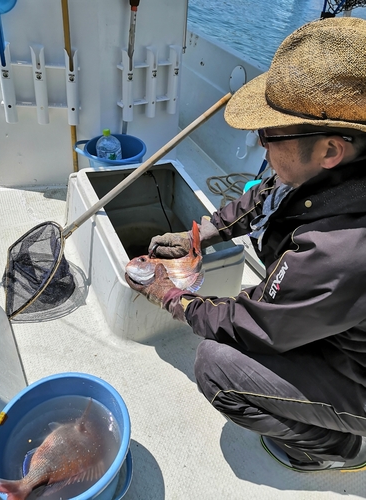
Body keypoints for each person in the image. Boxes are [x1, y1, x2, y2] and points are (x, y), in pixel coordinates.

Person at [125, 16, 366, 472]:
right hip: (333, 321)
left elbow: (258, 324)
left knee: (216, 365)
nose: (259, 141)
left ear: (332, 150)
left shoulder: (342, 248)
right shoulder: (327, 164)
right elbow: (270, 193)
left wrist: (173, 297)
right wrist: (202, 233)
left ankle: (337, 449)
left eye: (271, 135)